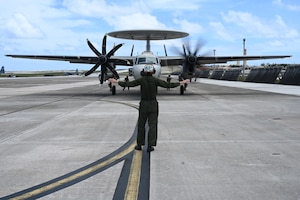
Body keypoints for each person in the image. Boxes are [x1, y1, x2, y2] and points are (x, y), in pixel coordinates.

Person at [109, 65, 190, 152]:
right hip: (153, 104)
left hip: (143, 104)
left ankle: (139, 145)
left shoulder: (141, 80)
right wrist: (181, 82)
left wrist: (116, 81)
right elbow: (168, 85)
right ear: (153, 72)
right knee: (153, 125)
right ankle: (150, 145)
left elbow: (129, 84)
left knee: (141, 125)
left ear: (143, 71)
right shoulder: (155, 80)